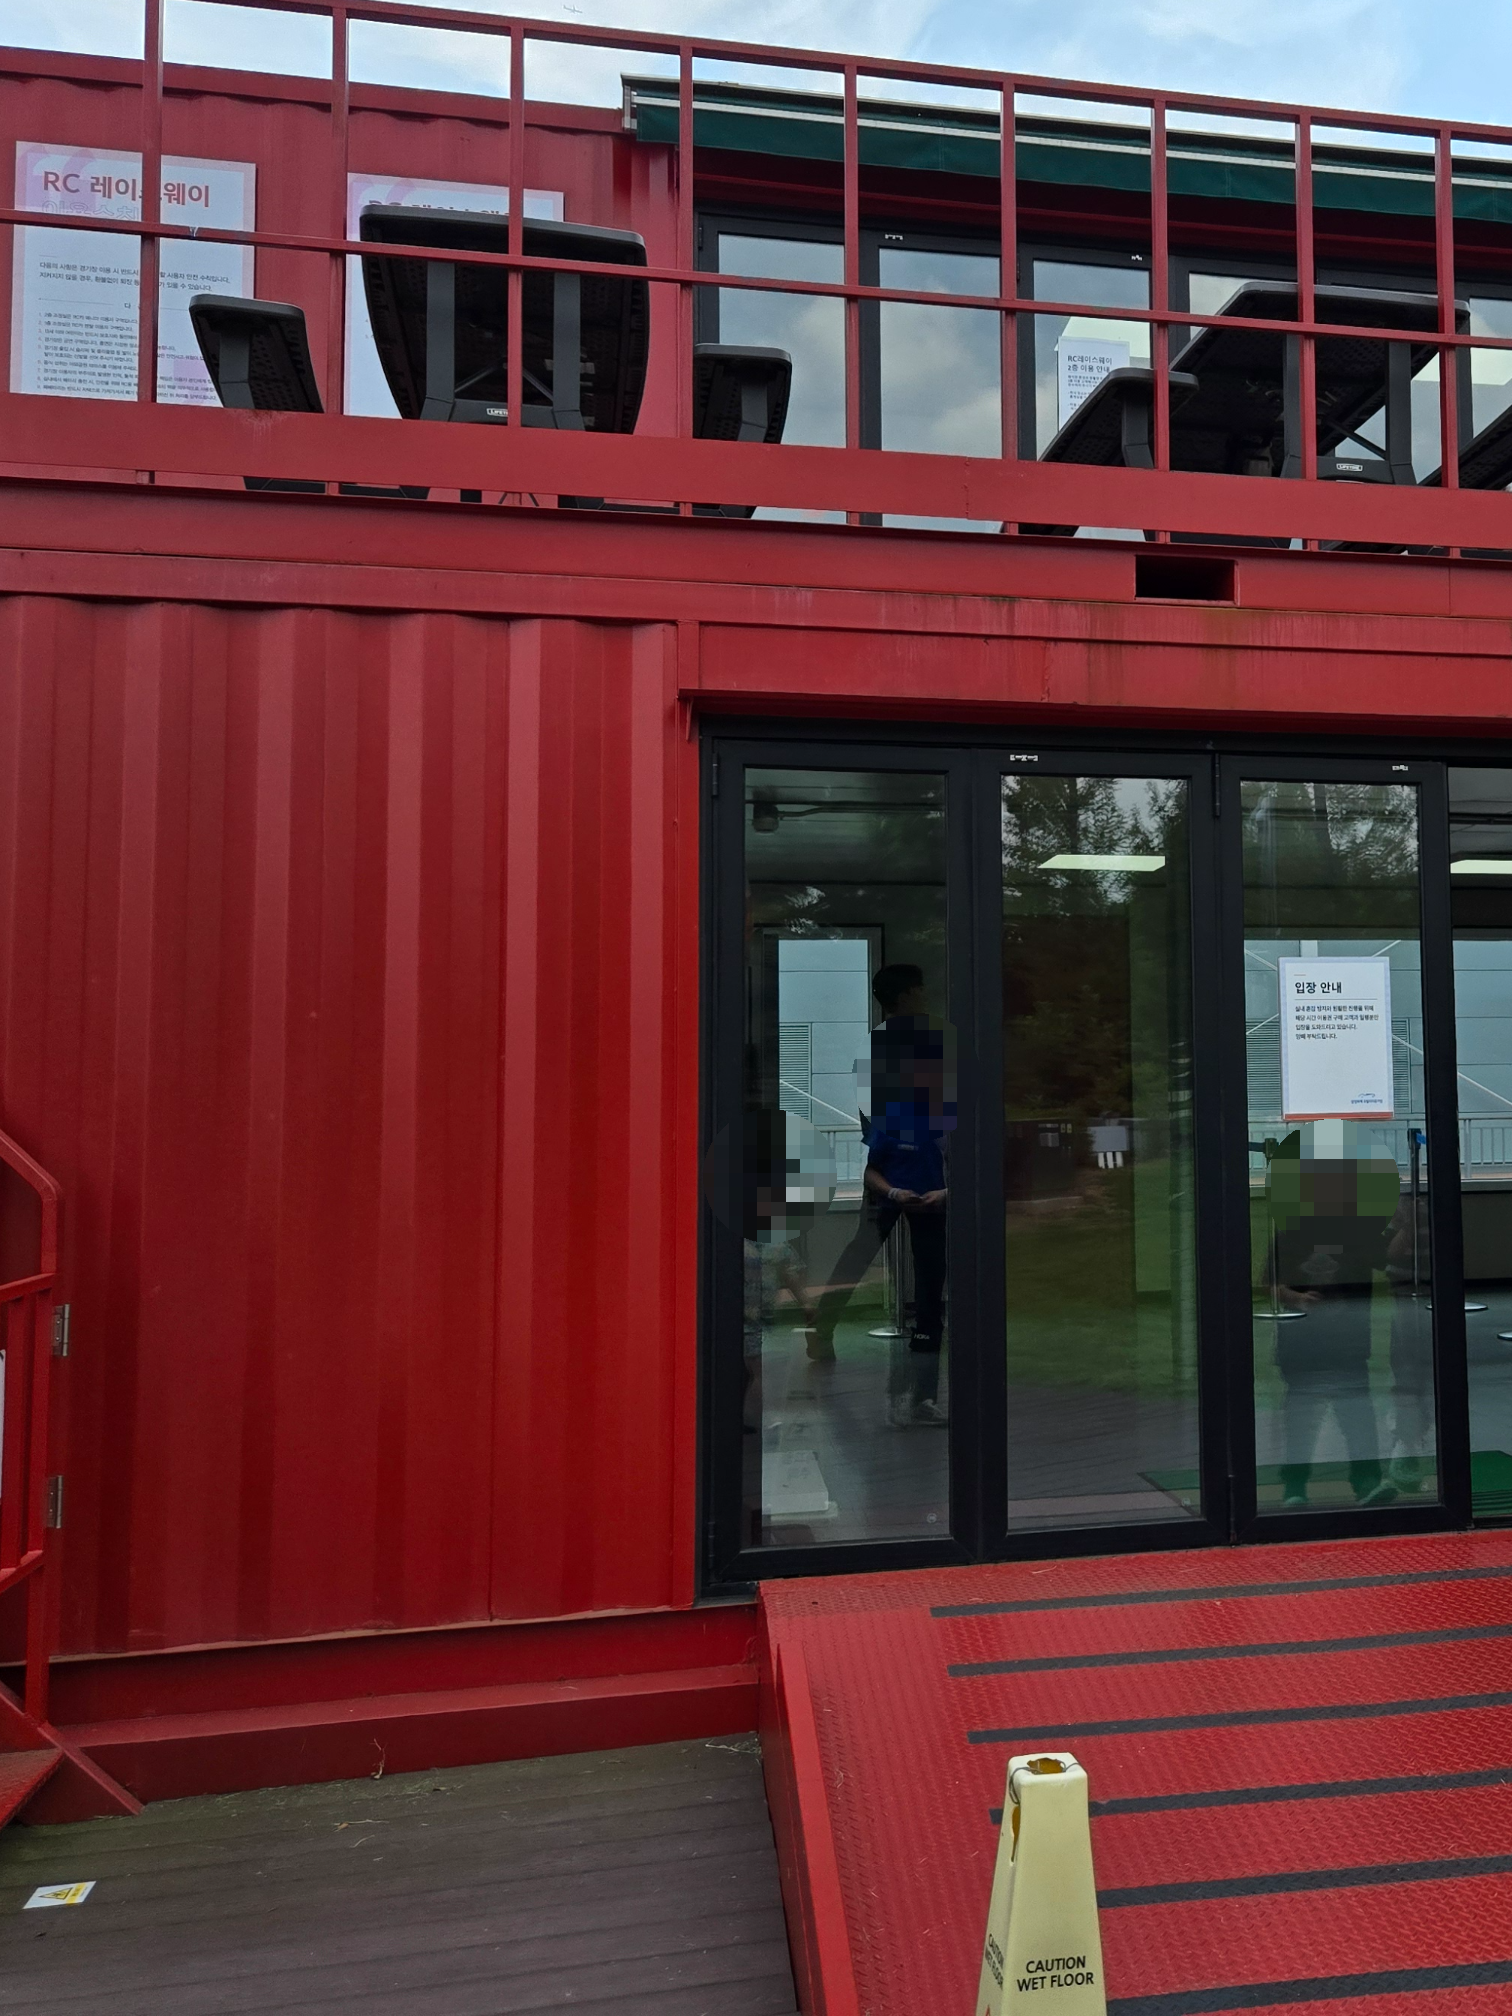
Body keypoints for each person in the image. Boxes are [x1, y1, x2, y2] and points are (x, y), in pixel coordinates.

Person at [810, 963, 952, 1427]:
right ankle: (825, 1327)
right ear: (907, 995)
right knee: (884, 1257)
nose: (925, 996)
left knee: (866, 1252)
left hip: (901, 1165)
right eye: (920, 990)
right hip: (899, 1166)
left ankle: (823, 1327)